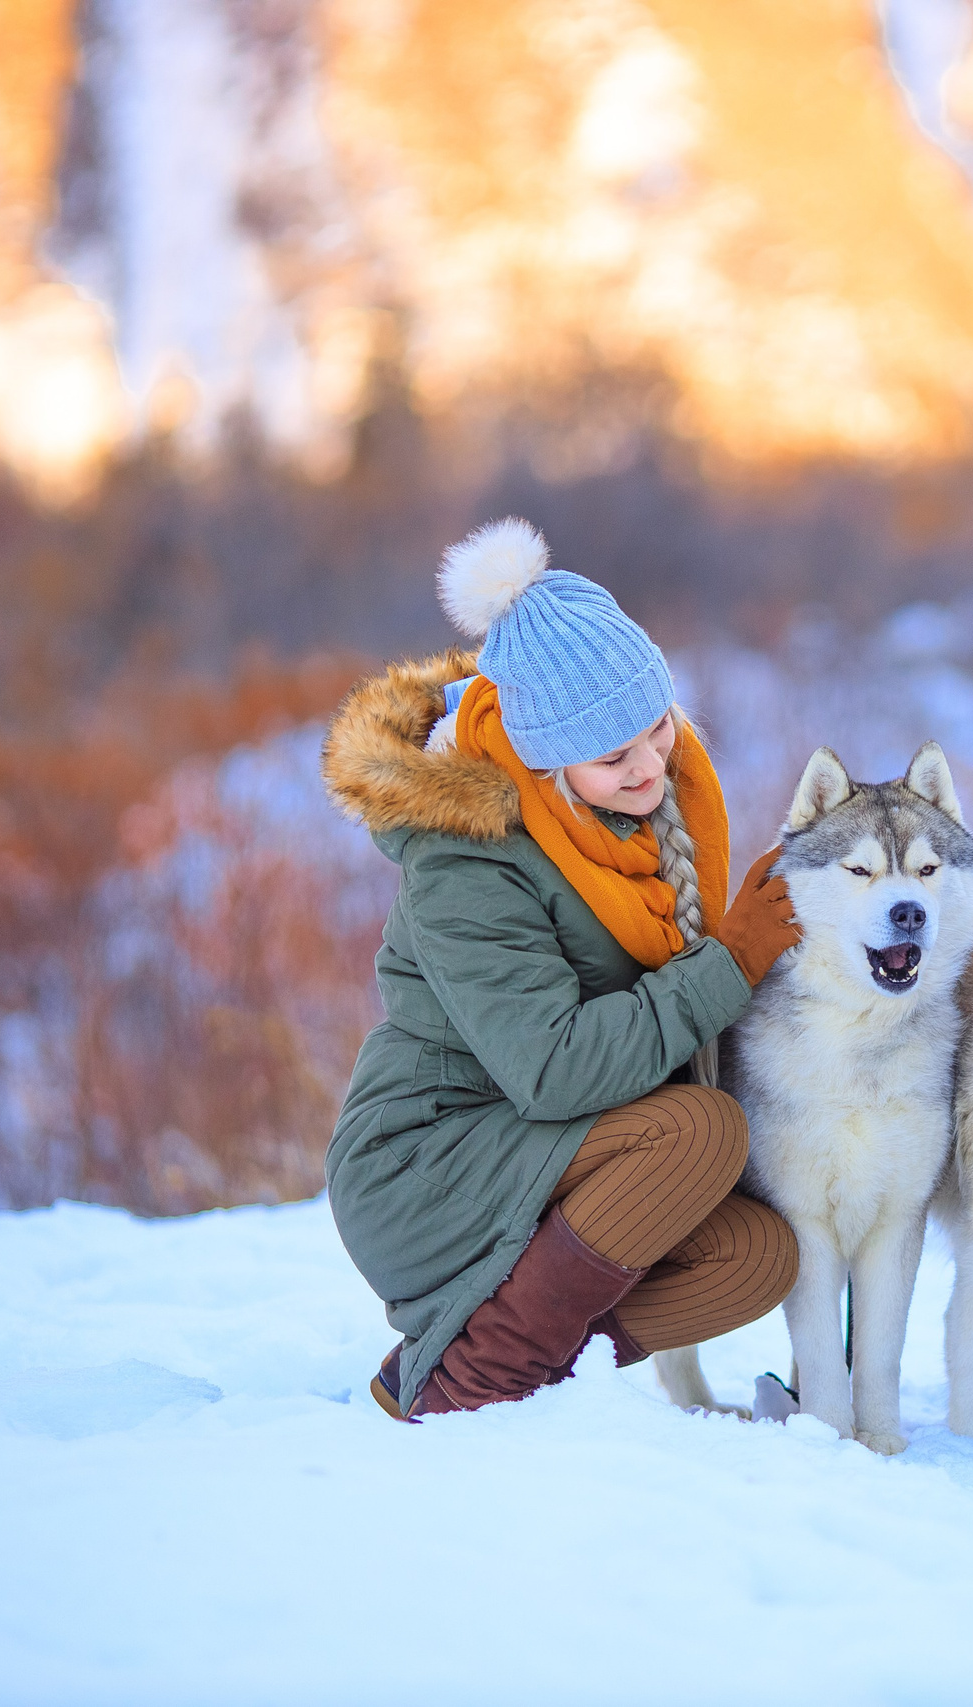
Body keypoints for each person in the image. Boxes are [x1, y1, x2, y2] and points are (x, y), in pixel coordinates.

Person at [318, 517, 801, 1419]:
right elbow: (554, 1069)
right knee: (696, 1134)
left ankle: (479, 1344)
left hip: (546, 1151)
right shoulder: (469, 862)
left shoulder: (650, 806)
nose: (650, 763)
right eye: (613, 755)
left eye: (656, 728)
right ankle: (475, 1382)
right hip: (426, 1163)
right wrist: (732, 959)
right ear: (541, 757)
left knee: (757, 1256)